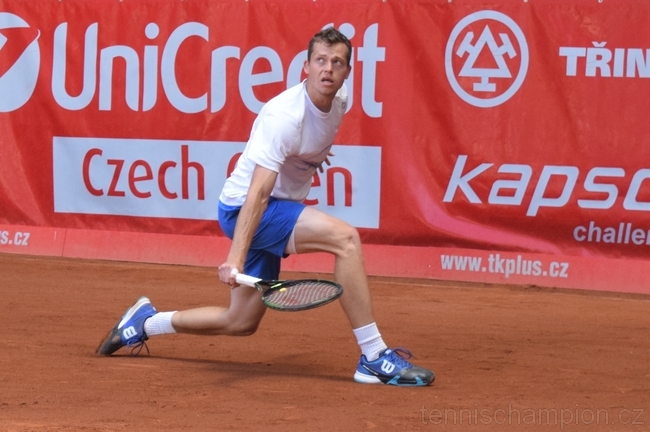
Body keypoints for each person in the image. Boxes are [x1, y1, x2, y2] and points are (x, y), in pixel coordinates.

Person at [97, 27, 434, 387]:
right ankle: (373, 355)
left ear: (347, 72)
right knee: (345, 240)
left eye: (337, 63)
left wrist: (311, 157)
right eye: (320, 61)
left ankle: (144, 323)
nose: (328, 69)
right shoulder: (284, 118)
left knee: (239, 322)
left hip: (271, 206)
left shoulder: (340, 99)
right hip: (248, 208)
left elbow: (306, 145)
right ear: (305, 66)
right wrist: (236, 258)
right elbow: (258, 193)